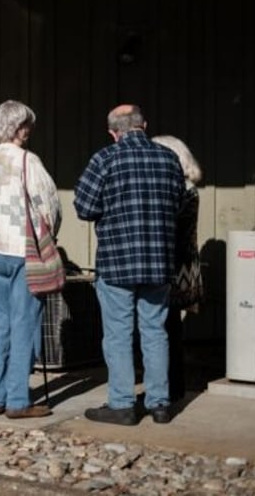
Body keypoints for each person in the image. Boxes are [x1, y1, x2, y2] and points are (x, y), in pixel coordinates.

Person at [75, 105, 185, 425]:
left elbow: (84, 207)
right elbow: (178, 203)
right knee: (155, 330)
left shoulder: (105, 159)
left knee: (118, 334)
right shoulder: (168, 159)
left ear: (113, 132)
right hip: (158, 260)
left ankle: (122, 404)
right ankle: (160, 404)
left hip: (117, 260)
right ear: (144, 125)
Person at [0, 100, 60, 419]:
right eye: (27, 126)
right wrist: (51, 235)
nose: (29, 131)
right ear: (19, 128)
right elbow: (47, 204)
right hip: (20, 247)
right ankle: (18, 401)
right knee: (23, 324)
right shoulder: (28, 160)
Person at [152, 135, 204, 402]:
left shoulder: (180, 190)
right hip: (184, 263)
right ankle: (172, 386)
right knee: (169, 326)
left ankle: (170, 387)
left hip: (173, 265)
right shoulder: (189, 189)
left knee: (166, 326)